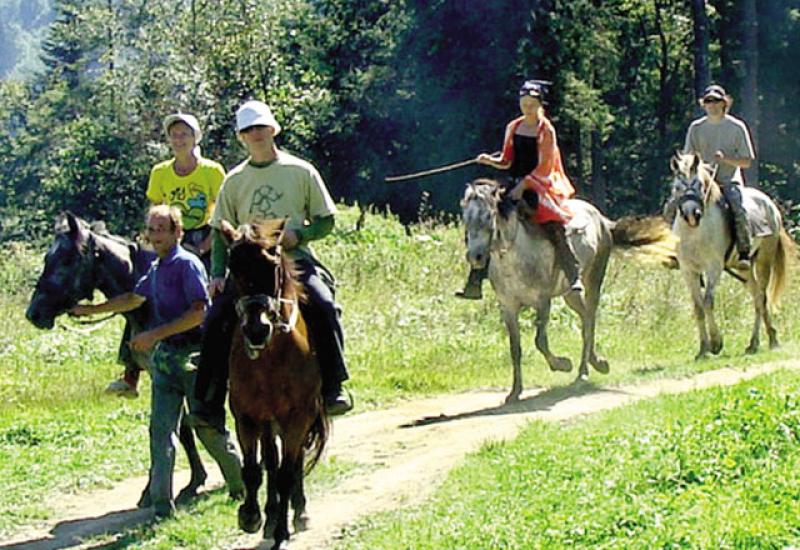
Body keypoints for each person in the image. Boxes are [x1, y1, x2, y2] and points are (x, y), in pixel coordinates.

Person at [71, 205, 244, 518]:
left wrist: (154, 334)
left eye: (161, 229)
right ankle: (162, 507)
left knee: (208, 428)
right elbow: (133, 299)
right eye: (151, 230)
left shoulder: (187, 264)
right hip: (166, 361)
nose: (155, 236)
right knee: (161, 432)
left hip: (194, 359)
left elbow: (199, 312)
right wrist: (91, 311)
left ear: (178, 232)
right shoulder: (156, 267)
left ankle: (240, 484)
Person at [194, 99, 352, 417]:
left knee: (322, 303)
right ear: (241, 136)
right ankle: (208, 396)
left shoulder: (301, 171)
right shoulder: (234, 181)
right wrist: (216, 274)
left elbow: (326, 219)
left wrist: (301, 235)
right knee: (215, 318)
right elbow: (220, 232)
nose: (256, 134)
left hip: (293, 260)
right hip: (247, 267)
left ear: (273, 129)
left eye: (260, 127)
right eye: (249, 130)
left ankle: (335, 384)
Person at [106, 113, 225, 398]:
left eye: (185, 134)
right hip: (171, 239)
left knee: (220, 294)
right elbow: (155, 209)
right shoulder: (160, 172)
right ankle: (130, 372)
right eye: (174, 135)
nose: (179, 139)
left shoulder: (212, 171)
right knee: (144, 295)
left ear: (196, 137)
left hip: (206, 235)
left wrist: (206, 245)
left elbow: (223, 212)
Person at [456, 79, 582, 299]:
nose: (527, 108)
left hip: (540, 183)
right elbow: (507, 160)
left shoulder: (546, 130)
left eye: (532, 104)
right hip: (513, 180)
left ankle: (573, 274)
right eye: (524, 104)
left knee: (552, 220)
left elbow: (545, 165)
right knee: (489, 215)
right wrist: (490, 161)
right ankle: (475, 279)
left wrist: (524, 186)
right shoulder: (513, 127)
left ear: (540, 104)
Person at [670, 84, 756, 261]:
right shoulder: (696, 127)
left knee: (738, 210)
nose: (712, 104)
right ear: (704, 104)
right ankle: (671, 250)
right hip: (698, 183)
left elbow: (747, 161)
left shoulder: (737, 127)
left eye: (716, 101)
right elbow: (688, 156)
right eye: (708, 101)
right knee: (671, 206)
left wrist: (725, 159)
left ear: (724, 103)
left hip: (727, 180)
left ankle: (744, 251)